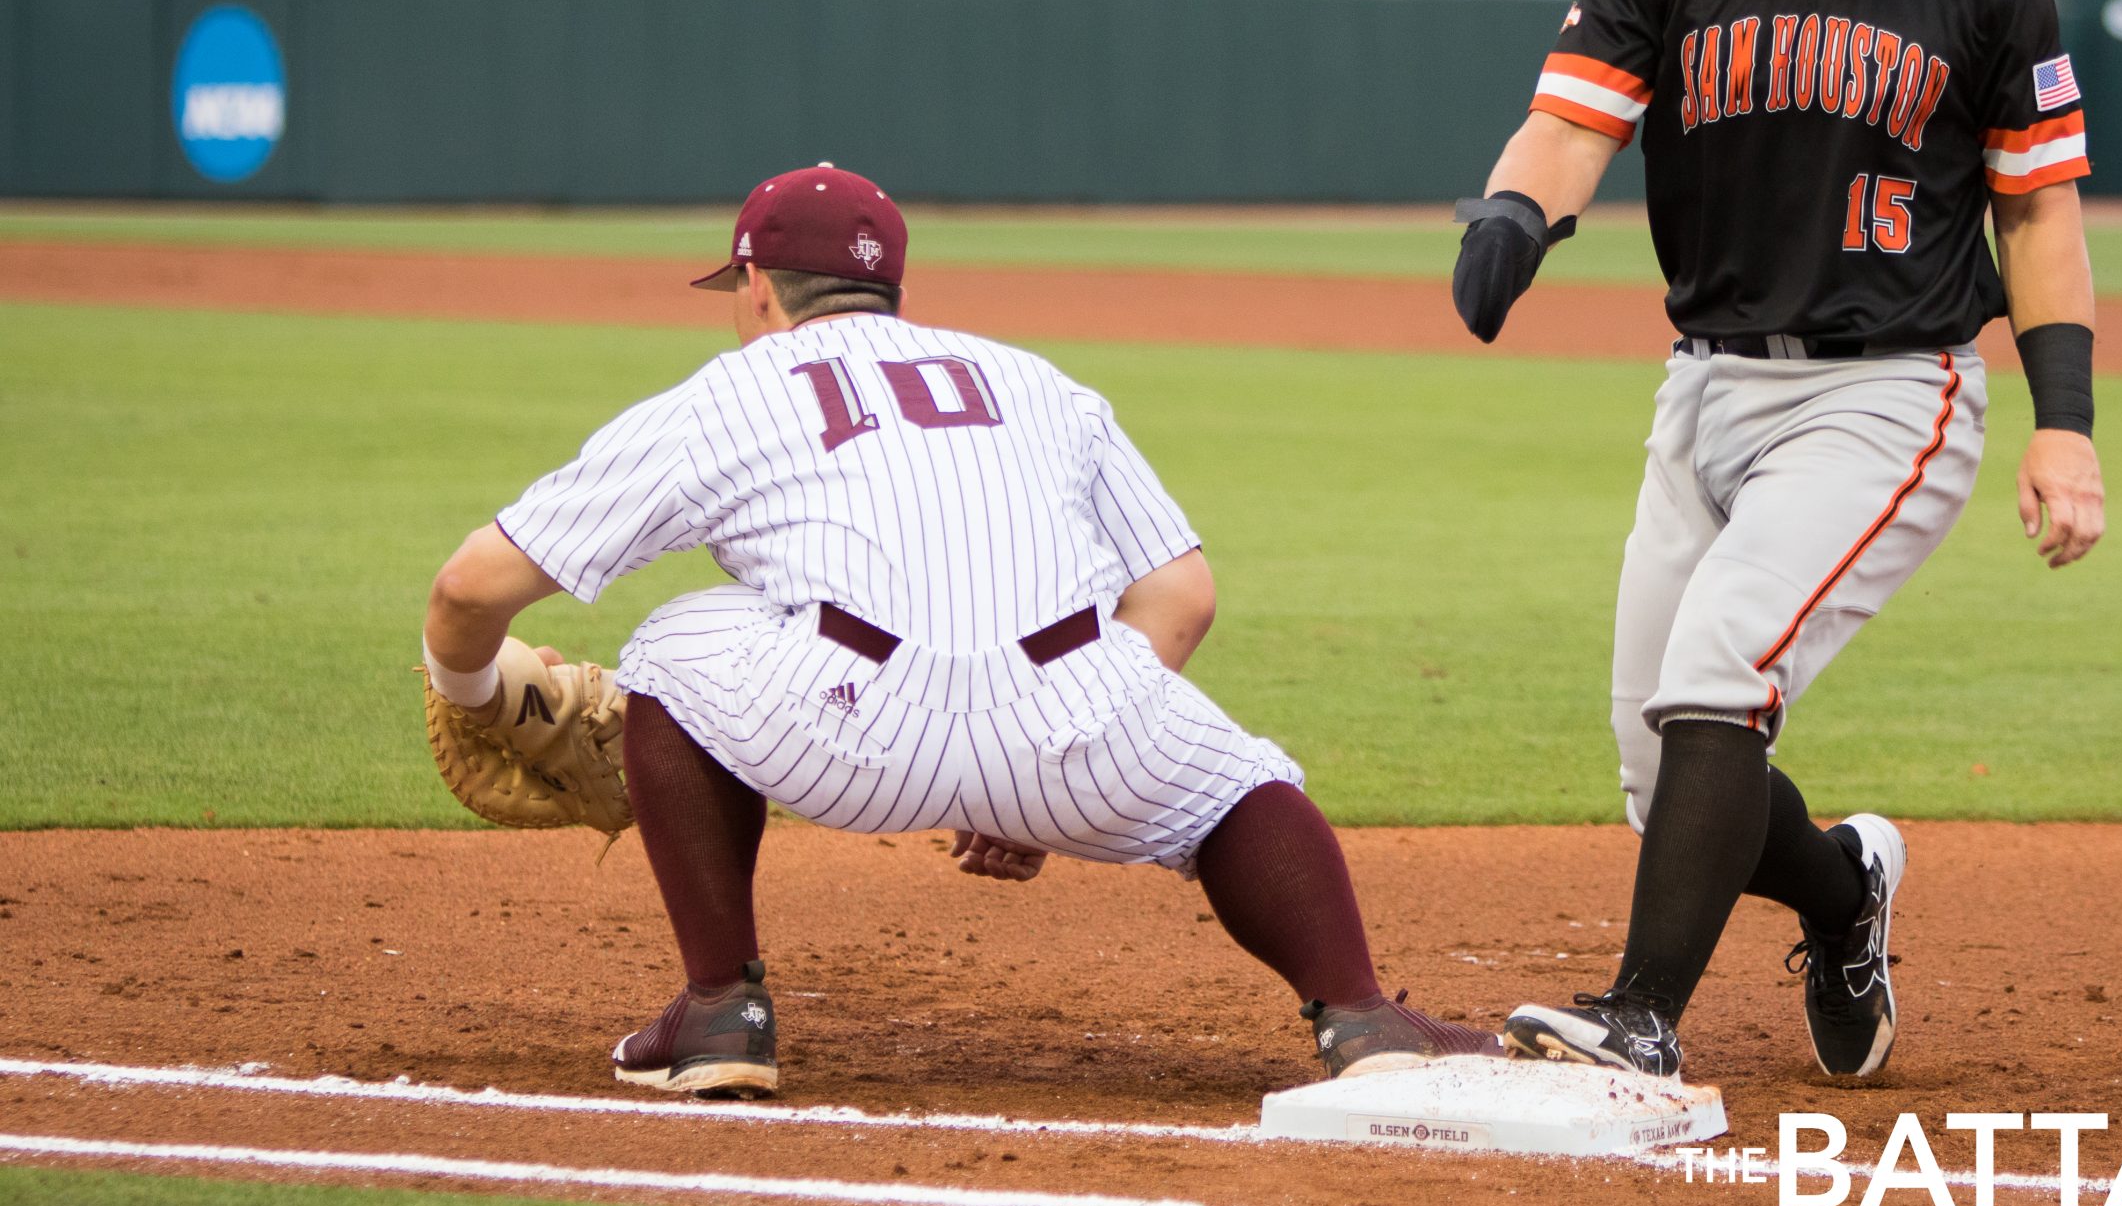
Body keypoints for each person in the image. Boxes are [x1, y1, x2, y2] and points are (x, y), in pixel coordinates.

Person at [421, 165, 1496, 1097]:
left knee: (670, 645)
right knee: (1238, 782)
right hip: (1079, 725)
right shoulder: (1037, 381)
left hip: (845, 739)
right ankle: (1357, 1013)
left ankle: (719, 1011)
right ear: (888, 286)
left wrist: (469, 696)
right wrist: (1045, 769)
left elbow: (473, 587)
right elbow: (1182, 595)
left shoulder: (729, 392)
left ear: (756, 286)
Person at [1459, 0, 2107, 1082]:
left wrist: (2067, 426)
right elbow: (1571, 122)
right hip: (1707, 386)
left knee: (1722, 665)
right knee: (1661, 767)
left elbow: (2039, 214)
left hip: (1892, 390)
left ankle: (1642, 1013)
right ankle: (1842, 890)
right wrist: (1519, 205)